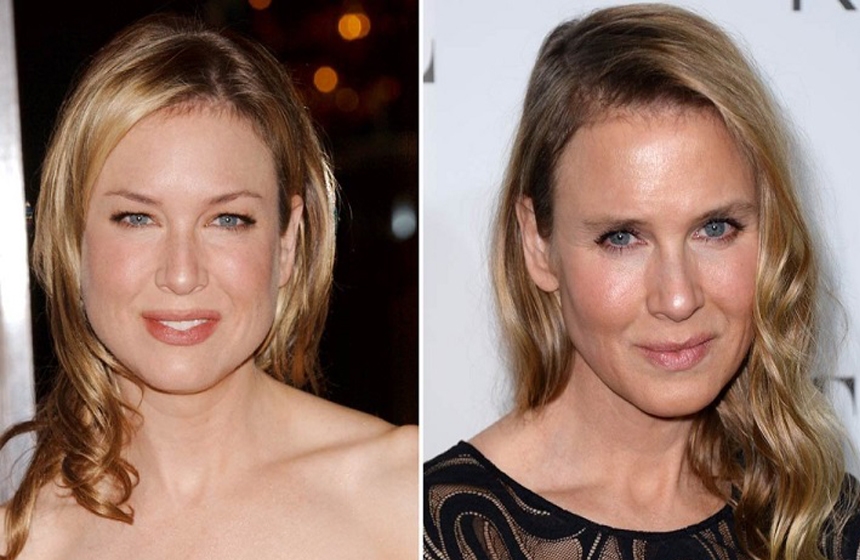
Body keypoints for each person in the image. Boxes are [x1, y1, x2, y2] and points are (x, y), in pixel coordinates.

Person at [424, 4, 860, 559]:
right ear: (537, 244)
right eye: (623, 238)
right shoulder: (435, 534)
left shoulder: (824, 519)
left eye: (716, 228)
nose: (677, 298)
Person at [0, 15, 417, 560]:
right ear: (73, 238)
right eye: (137, 218)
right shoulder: (26, 540)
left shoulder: (408, 498)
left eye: (227, 220)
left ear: (287, 243)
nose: (181, 274)